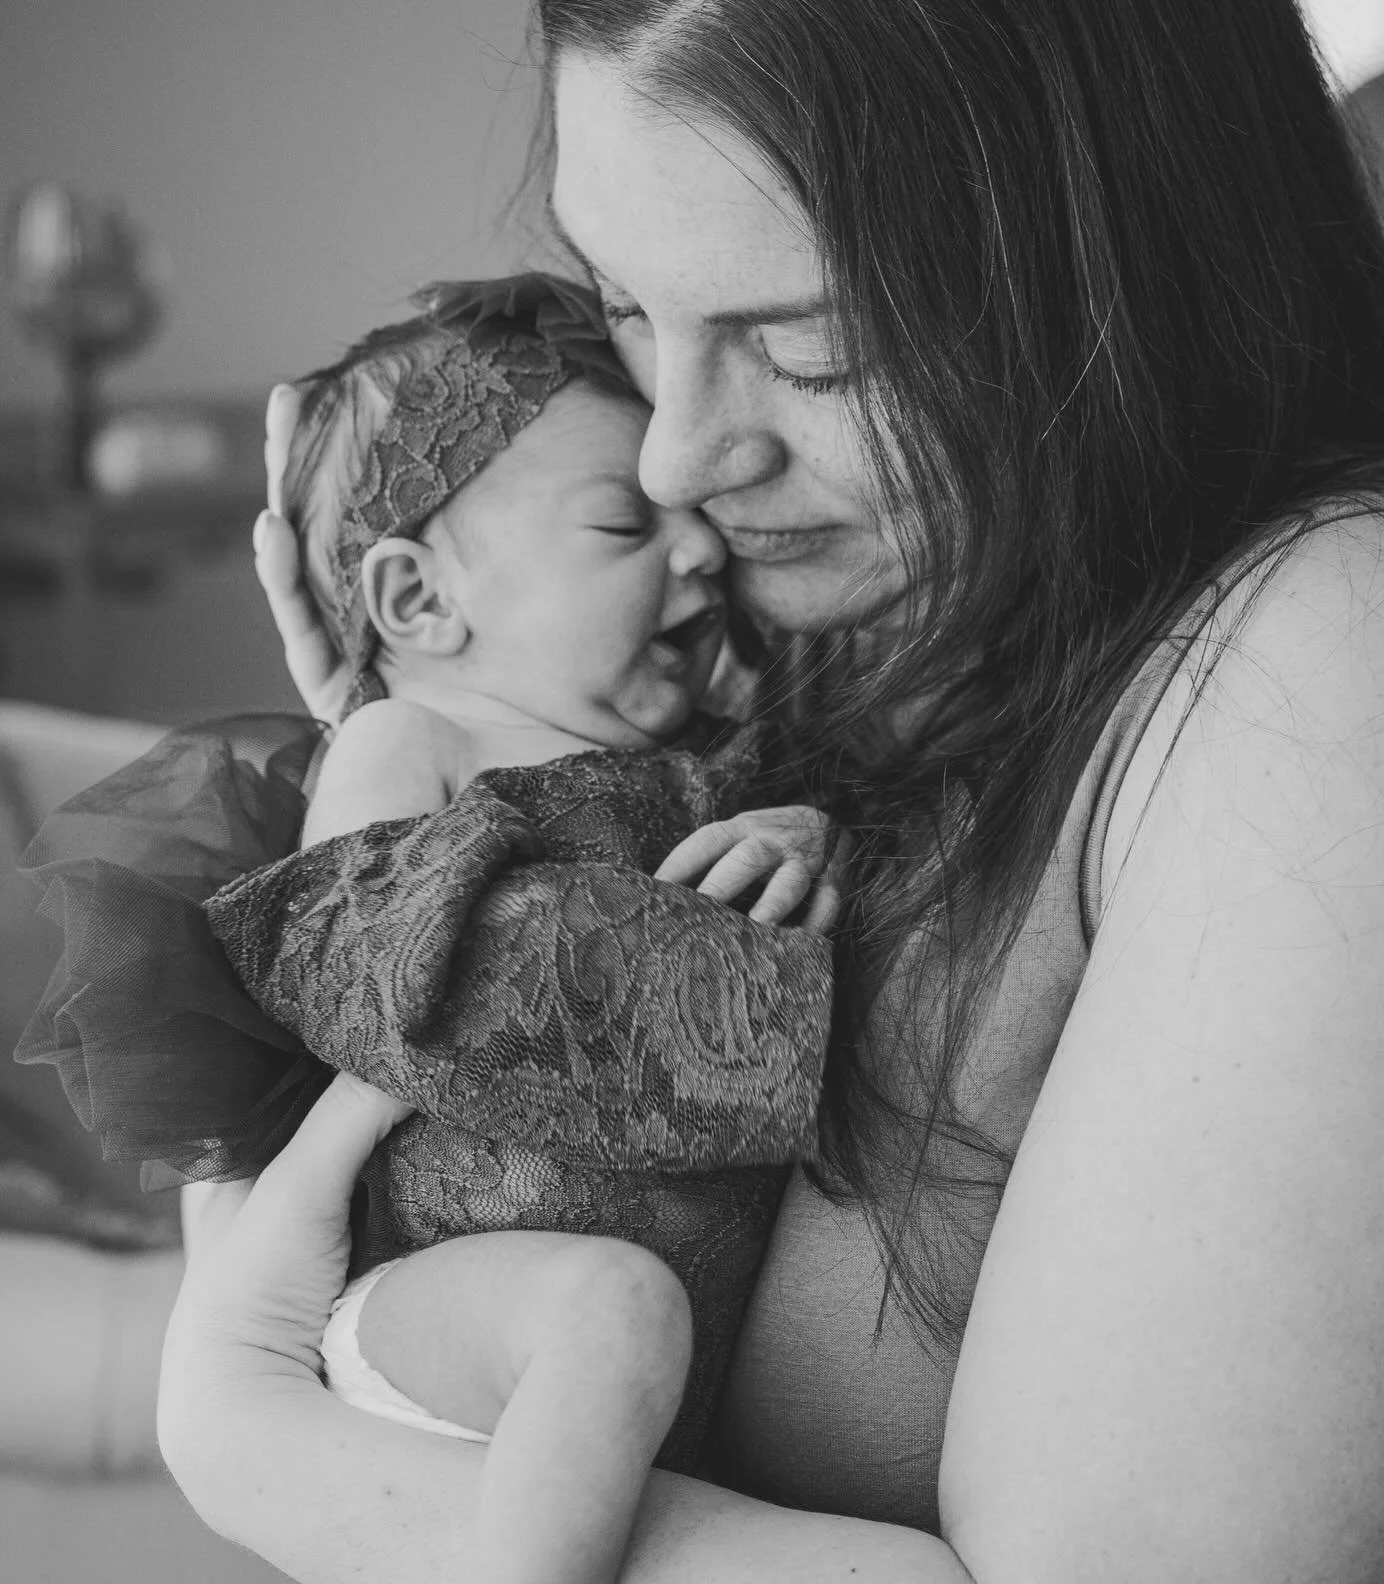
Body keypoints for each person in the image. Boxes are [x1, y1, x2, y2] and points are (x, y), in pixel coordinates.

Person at [152, 0, 1384, 1582]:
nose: (680, 458)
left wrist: (270, 1447)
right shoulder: (862, 613)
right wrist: (459, 744)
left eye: (811, 347)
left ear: (1123, 275)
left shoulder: (1355, 654)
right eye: (628, 306)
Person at [21, 275, 843, 1584]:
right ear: (416, 603)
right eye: (624, 523)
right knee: (613, 1308)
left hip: (634, 1361)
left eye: (695, 525)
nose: (698, 553)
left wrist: (796, 840)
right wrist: (717, 959)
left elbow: (824, 848)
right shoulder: (416, 740)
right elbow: (364, 968)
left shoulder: (703, 755)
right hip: (445, 1300)